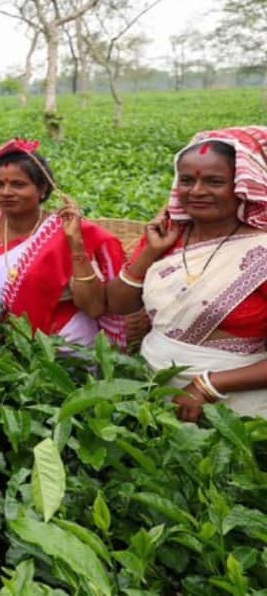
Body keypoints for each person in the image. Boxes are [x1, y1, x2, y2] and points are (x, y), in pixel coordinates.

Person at [107, 127, 267, 420]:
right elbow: (119, 305)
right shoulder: (168, 235)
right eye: (187, 181)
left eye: (215, 182)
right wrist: (150, 253)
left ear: (243, 186)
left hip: (236, 408)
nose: (197, 191)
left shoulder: (261, 249)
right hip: (152, 392)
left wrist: (208, 385)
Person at [0, 139, 126, 346]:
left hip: (67, 341)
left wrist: (75, 243)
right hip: (13, 340)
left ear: (42, 190)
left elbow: (94, 307)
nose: (6, 192)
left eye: (18, 185)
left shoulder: (64, 230)